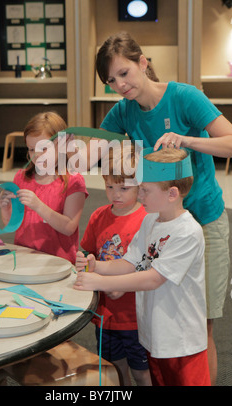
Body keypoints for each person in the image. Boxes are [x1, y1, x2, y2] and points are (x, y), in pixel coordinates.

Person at [92, 31, 232, 384]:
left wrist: (187, 140)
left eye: (124, 73)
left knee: (199, 326)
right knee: (160, 320)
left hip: (202, 218)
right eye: (111, 80)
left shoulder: (185, 97)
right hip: (158, 224)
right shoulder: (123, 112)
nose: (120, 85)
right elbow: (100, 151)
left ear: (143, 63)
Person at [74, 148, 211, 386]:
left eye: (145, 190)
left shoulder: (187, 232)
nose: (139, 196)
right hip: (153, 334)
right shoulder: (150, 220)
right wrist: (99, 267)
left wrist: (100, 282)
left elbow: (153, 278)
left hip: (181, 340)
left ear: (172, 193)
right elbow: (130, 262)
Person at [80, 142, 151, 386]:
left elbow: (152, 266)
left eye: (124, 187)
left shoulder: (148, 219)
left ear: (141, 187)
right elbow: (90, 252)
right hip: (105, 315)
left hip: (137, 317)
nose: (115, 194)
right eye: (110, 186)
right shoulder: (99, 216)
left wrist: (123, 286)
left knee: (142, 372)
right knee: (115, 369)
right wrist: (87, 261)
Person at [0, 111, 88, 264]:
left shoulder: (73, 181)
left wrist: (38, 206)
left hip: (58, 264)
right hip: (24, 259)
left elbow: (69, 227)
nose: (37, 155)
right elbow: (12, 225)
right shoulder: (21, 177)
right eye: (31, 149)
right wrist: (5, 208)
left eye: (43, 149)